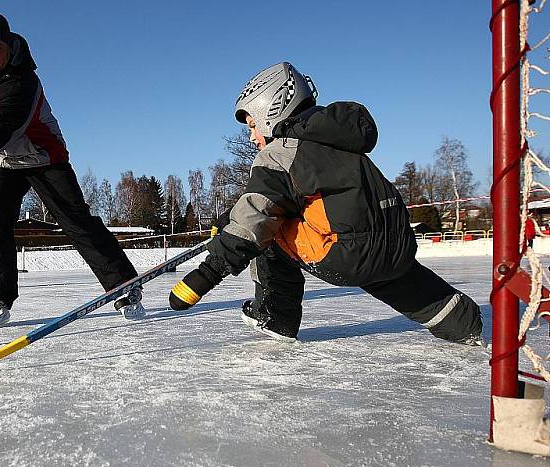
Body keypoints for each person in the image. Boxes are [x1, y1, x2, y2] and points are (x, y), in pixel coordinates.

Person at [169, 62, 483, 346]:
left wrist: (204, 276)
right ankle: (463, 322)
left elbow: (258, 216)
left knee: (267, 231)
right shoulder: (339, 141)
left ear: (272, 109)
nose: (252, 136)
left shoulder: (279, 152)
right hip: (396, 245)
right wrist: (230, 217)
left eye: (252, 125)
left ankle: (277, 317)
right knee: (399, 281)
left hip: (343, 254)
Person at [0, 10, 144, 326]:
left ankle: (123, 286)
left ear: (9, 46)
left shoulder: (23, 83)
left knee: (75, 220)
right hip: (5, 162)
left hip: (43, 157)